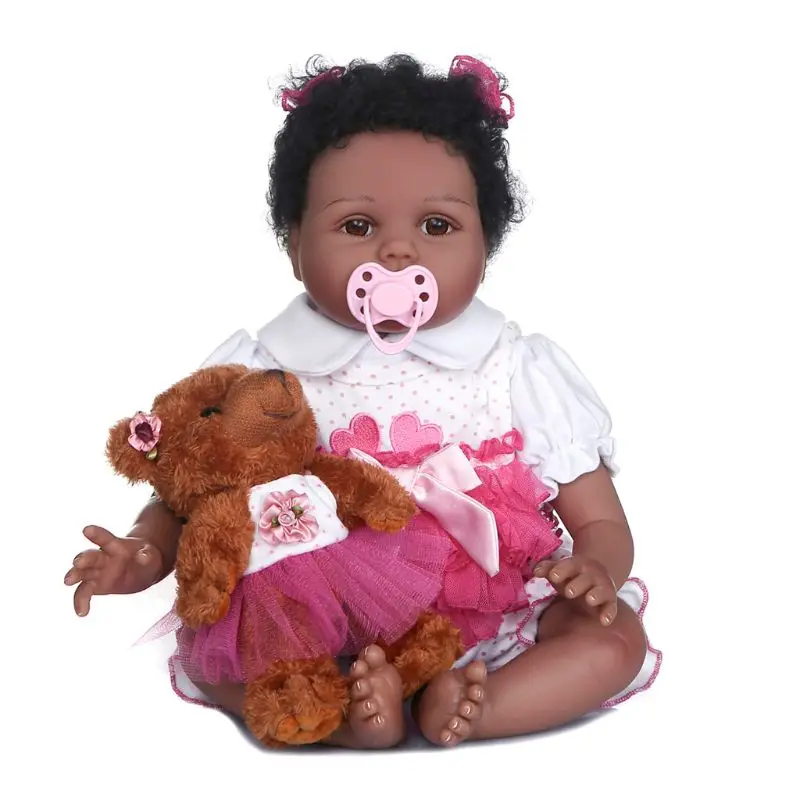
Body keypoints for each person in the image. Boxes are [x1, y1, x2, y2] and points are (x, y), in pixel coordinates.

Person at [65, 53, 661, 749]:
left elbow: (600, 520)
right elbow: (188, 491)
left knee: (613, 639)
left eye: (437, 226)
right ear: (294, 244)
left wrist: (596, 569)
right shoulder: (262, 371)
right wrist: (144, 552)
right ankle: (346, 712)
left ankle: (477, 702)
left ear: (486, 245)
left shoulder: (517, 367)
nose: (398, 253)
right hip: (320, 620)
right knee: (222, 653)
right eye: (357, 227)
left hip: (494, 607)